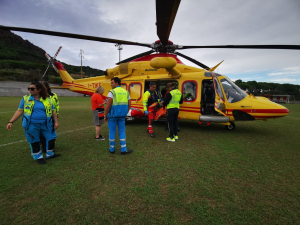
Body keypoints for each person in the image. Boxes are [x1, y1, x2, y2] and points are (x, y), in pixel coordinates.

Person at [6, 82, 60, 165]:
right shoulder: (26, 99)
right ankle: (39, 157)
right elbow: (20, 111)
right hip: (31, 124)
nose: (29, 90)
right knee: (34, 140)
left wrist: (56, 122)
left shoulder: (47, 99)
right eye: (29, 88)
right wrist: (11, 121)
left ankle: (50, 154)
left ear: (39, 90)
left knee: (51, 137)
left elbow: (53, 112)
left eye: (32, 88)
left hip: (47, 124)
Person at [104, 77, 133, 155]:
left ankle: (112, 149)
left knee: (112, 132)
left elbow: (108, 105)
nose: (111, 84)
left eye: (112, 82)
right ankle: (123, 149)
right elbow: (129, 104)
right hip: (122, 116)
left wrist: (105, 115)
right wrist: (125, 113)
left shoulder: (112, 92)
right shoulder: (126, 92)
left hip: (113, 116)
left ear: (117, 83)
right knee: (122, 131)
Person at [40, 82, 60, 152]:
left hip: (52, 115)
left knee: (51, 131)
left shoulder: (54, 95)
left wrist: (57, 113)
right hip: (43, 117)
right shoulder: (39, 96)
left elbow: (57, 104)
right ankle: (44, 146)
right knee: (42, 132)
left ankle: (51, 146)